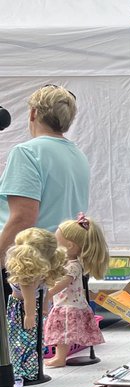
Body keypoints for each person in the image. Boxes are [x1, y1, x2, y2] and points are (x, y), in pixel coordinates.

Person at [0, 85, 91, 263]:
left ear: (33, 113)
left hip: (31, 262)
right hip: (61, 258)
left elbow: (22, 218)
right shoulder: (78, 155)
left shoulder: (27, 152)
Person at [44, 215, 109, 367]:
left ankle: (60, 358)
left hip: (68, 306)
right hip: (66, 303)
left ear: (70, 246)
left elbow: (63, 283)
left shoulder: (73, 266)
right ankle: (59, 357)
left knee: (62, 334)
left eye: (57, 243)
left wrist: (49, 293)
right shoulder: (68, 263)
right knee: (61, 334)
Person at [4, 227, 66, 381]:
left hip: (24, 309)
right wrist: (40, 310)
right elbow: (40, 293)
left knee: (24, 341)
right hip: (27, 308)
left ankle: (27, 371)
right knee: (29, 340)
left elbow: (32, 296)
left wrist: (32, 314)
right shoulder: (36, 272)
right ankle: (29, 370)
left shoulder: (29, 273)